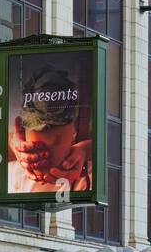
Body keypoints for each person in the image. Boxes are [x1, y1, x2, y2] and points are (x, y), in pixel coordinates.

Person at [7, 66, 93, 195]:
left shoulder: (90, 177)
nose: (42, 161)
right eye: (36, 149)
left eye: (52, 150)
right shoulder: (13, 173)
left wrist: (89, 150)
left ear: (74, 132)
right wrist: (12, 144)